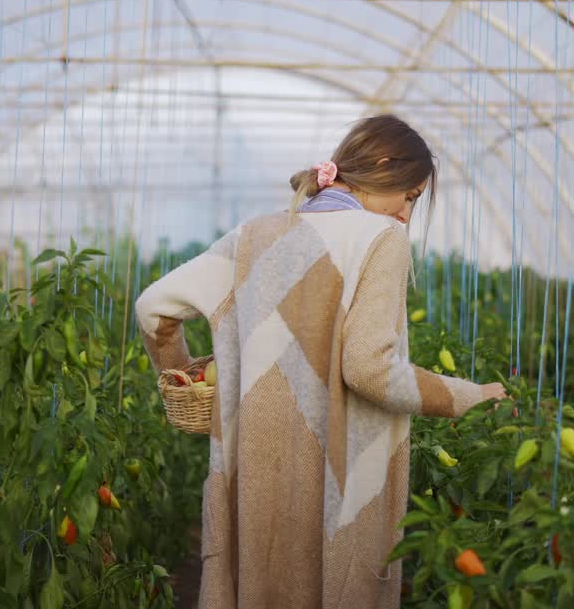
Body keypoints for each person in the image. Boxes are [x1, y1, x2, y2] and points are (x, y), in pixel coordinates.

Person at [135, 114, 507, 608]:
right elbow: (369, 370)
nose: (404, 215)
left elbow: (153, 309)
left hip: (255, 484)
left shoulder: (251, 236)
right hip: (342, 489)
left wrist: (186, 376)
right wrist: (470, 398)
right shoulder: (379, 238)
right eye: (410, 197)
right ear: (383, 165)